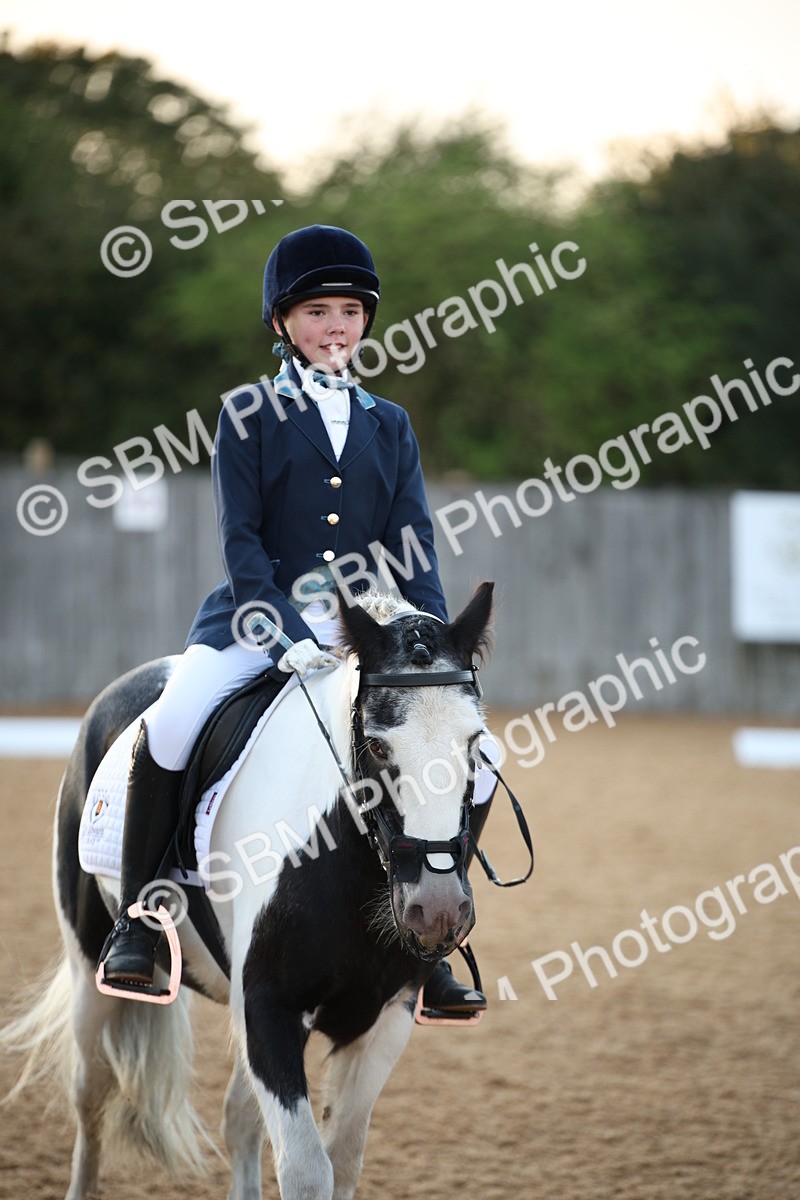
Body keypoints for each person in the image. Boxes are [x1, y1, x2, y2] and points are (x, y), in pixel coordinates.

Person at [99, 224, 492, 1016]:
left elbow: (414, 546)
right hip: (254, 622)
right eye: (317, 311)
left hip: (368, 628)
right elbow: (242, 545)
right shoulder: (247, 412)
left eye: (349, 310)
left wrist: (433, 641)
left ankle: (433, 939)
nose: (335, 326)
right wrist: (286, 635)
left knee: (479, 760)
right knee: (172, 724)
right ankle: (139, 922)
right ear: (282, 321)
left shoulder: (390, 423)